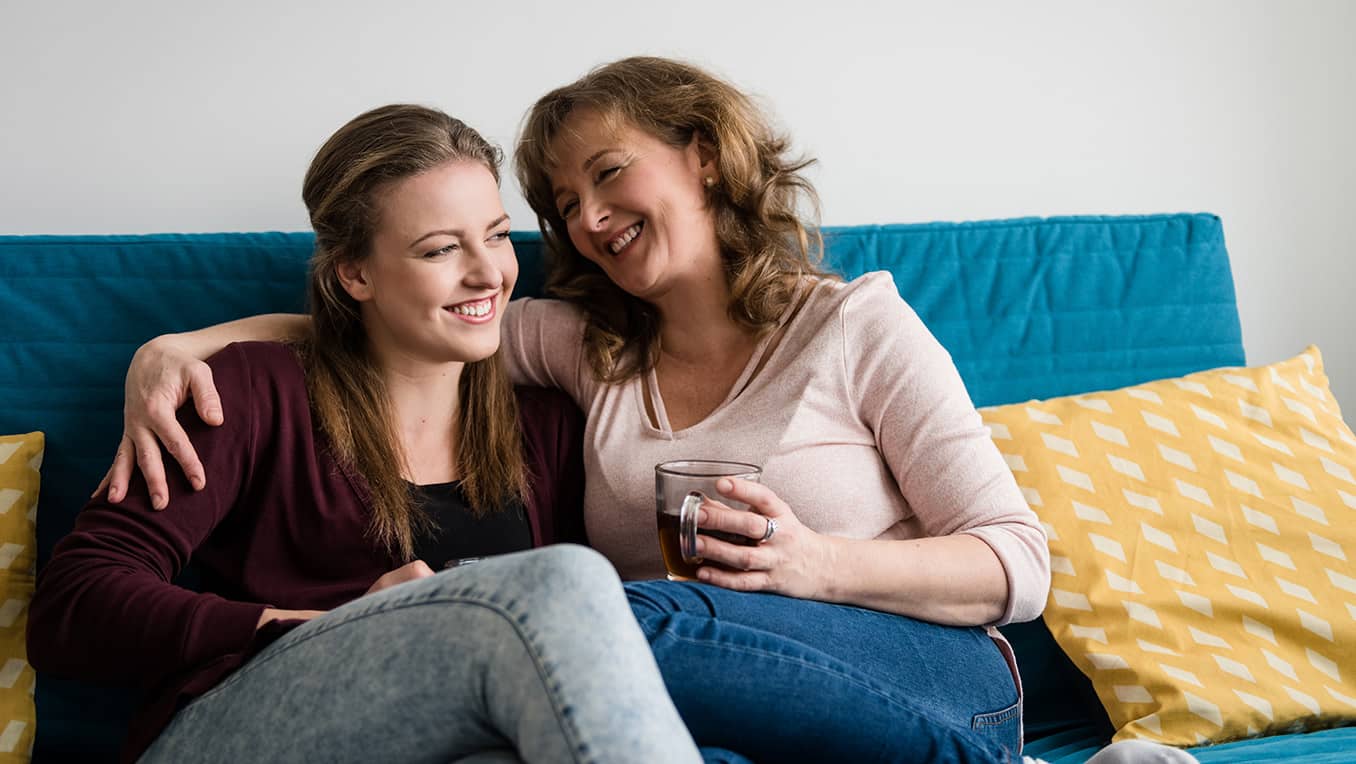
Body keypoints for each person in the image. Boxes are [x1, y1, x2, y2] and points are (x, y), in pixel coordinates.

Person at [106, 59, 1052, 762]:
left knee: (588, 609)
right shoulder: (581, 350)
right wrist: (178, 349)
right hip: (692, 688)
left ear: (707, 158)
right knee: (572, 642)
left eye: (608, 174)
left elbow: (1018, 562)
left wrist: (818, 565)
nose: (589, 218)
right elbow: (404, 321)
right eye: (565, 203)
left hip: (927, 675)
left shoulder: (855, 325)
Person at [27, 104, 703, 764]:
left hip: (450, 730)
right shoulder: (250, 390)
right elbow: (74, 603)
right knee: (562, 581)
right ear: (355, 273)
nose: (487, 273)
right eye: (440, 248)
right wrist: (330, 627)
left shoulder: (545, 424)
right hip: (238, 726)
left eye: (496, 235)